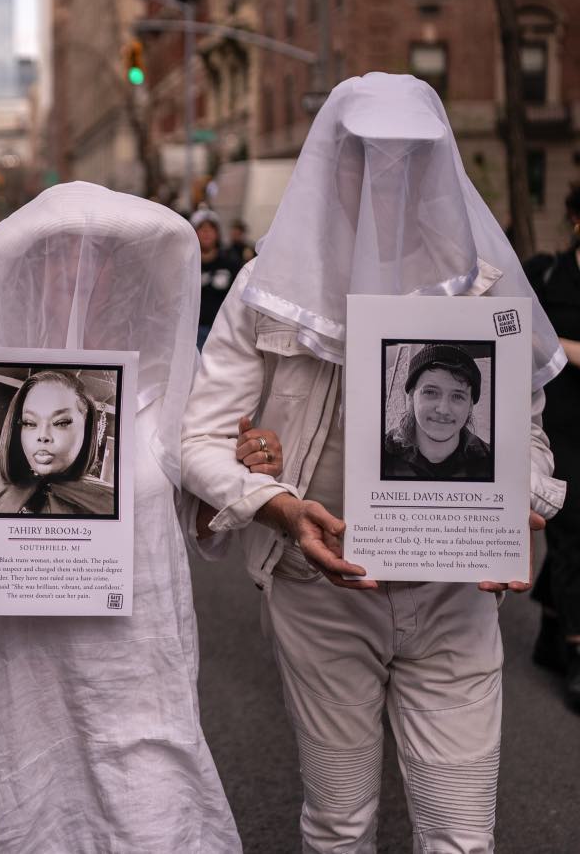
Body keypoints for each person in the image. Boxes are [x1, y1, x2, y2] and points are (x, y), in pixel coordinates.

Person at [181, 73, 565, 853]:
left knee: (462, 834)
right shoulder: (267, 292)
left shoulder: (484, 291)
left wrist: (516, 506)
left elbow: (528, 433)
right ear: (333, 161)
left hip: (454, 594)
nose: (388, 172)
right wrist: (277, 502)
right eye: (366, 155)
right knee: (339, 824)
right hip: (321, 589)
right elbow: (197, 439)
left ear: (439, 162)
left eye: (411, 155)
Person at [0, 182, 243, 852]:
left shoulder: (169, 380)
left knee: (154, 824)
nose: (78, 274)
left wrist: (243, 473)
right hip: (25, 672)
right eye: (58, 258)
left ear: (122, 276)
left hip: (139, 665)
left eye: (97, 259)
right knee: (38, 829)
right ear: (30, 274)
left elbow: (205, 527)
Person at [526, 181, 580, 708]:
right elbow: (517, 331)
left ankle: (550, 623)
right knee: (571, 535)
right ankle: (576, 651)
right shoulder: (546, 273)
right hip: (563, 426)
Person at [0, 369, 114, 516]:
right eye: (29, 423)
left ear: (87, 428)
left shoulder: (113, 503)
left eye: (61, 422)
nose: (43, 436)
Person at [380, 344, 493, 481]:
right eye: (430, 392)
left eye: (457, 396)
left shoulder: (491, 463)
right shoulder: (381, 457)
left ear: (470, 405)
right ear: (410, 397)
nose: (443, 409)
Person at [193, 208, 240, 347]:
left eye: (211, 228)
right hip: (191, 331)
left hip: (220, 332)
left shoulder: (230, 264)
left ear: (217, 233)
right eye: (202, 228)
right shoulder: (186, 264)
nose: (206, 232)